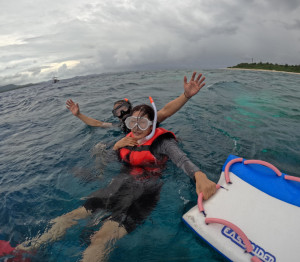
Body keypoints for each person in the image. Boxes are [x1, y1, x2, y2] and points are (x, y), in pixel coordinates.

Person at [15, 99, 216, 262]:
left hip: (142, 196)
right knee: (70, 217)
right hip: (116, 187)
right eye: (132, 123)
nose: (136, 128)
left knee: (100, 238)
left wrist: (200, 175)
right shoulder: (124, 139)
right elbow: (111, 161)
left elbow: (181, 159)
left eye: (142, 123)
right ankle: (28, 248)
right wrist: (115, 147)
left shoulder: (162, 142)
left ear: (152, 124)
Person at [66, 72, 206, 133]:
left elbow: (165, 112)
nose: (122, 113)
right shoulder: (120, 126)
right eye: (117, 112)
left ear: (130, 107)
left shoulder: (148, 120)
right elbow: (97, 124)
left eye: (124, 108)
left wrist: (185, 96)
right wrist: (79, 115)